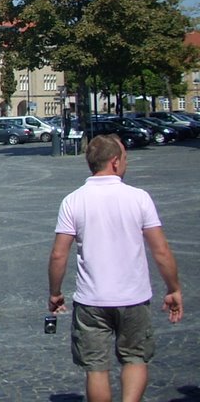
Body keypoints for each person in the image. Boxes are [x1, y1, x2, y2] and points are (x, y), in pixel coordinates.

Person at [48, 134, 183, 402]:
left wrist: (55, 292)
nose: (126, 164)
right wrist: (173, 288)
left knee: (96, 369)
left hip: (91, 300)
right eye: (124, 159)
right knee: (135, 359)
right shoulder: (138, 198)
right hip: (133, 296)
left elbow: (58, 254)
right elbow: (161, 250)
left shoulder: (73, 200)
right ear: (114, 162)